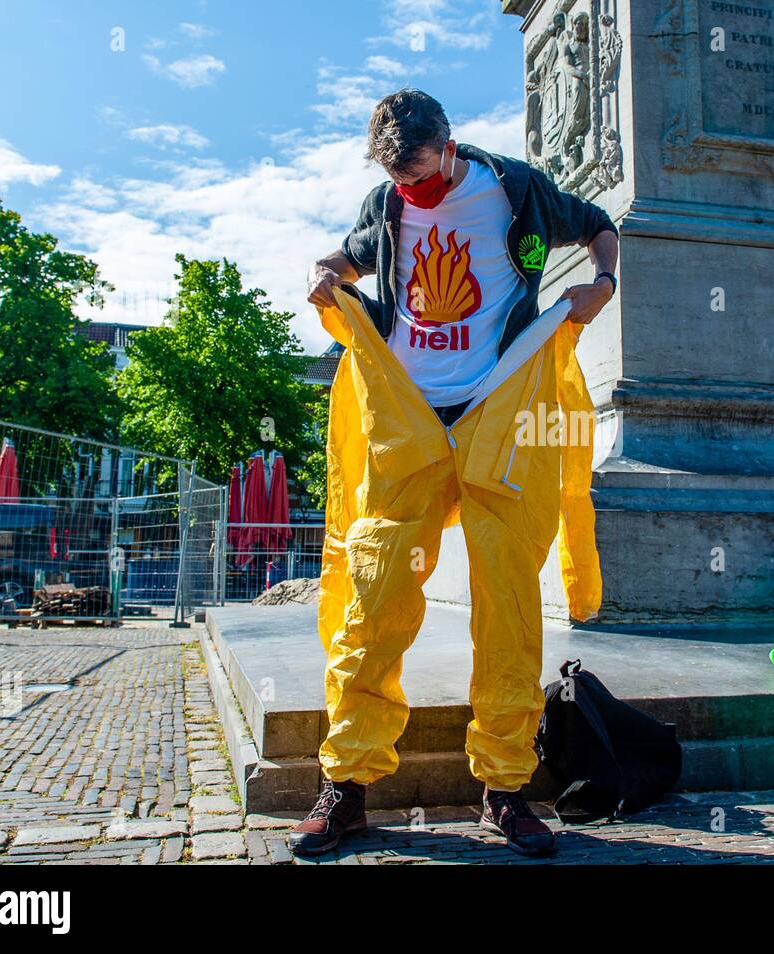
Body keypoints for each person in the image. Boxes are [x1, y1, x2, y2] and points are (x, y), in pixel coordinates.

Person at [294, 88, 618, 857]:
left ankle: (504, 791)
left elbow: (600, 227)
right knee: (371, 603)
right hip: (406, 417)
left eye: (425, 177)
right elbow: (351, 252)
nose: (415, 192)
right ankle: (346, 788)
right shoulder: (390, 200)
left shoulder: (516, 190)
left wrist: (601, 286)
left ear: (450, 145)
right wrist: (325, 269)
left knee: (507, 603)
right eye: (400, 182)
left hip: (500, 407)